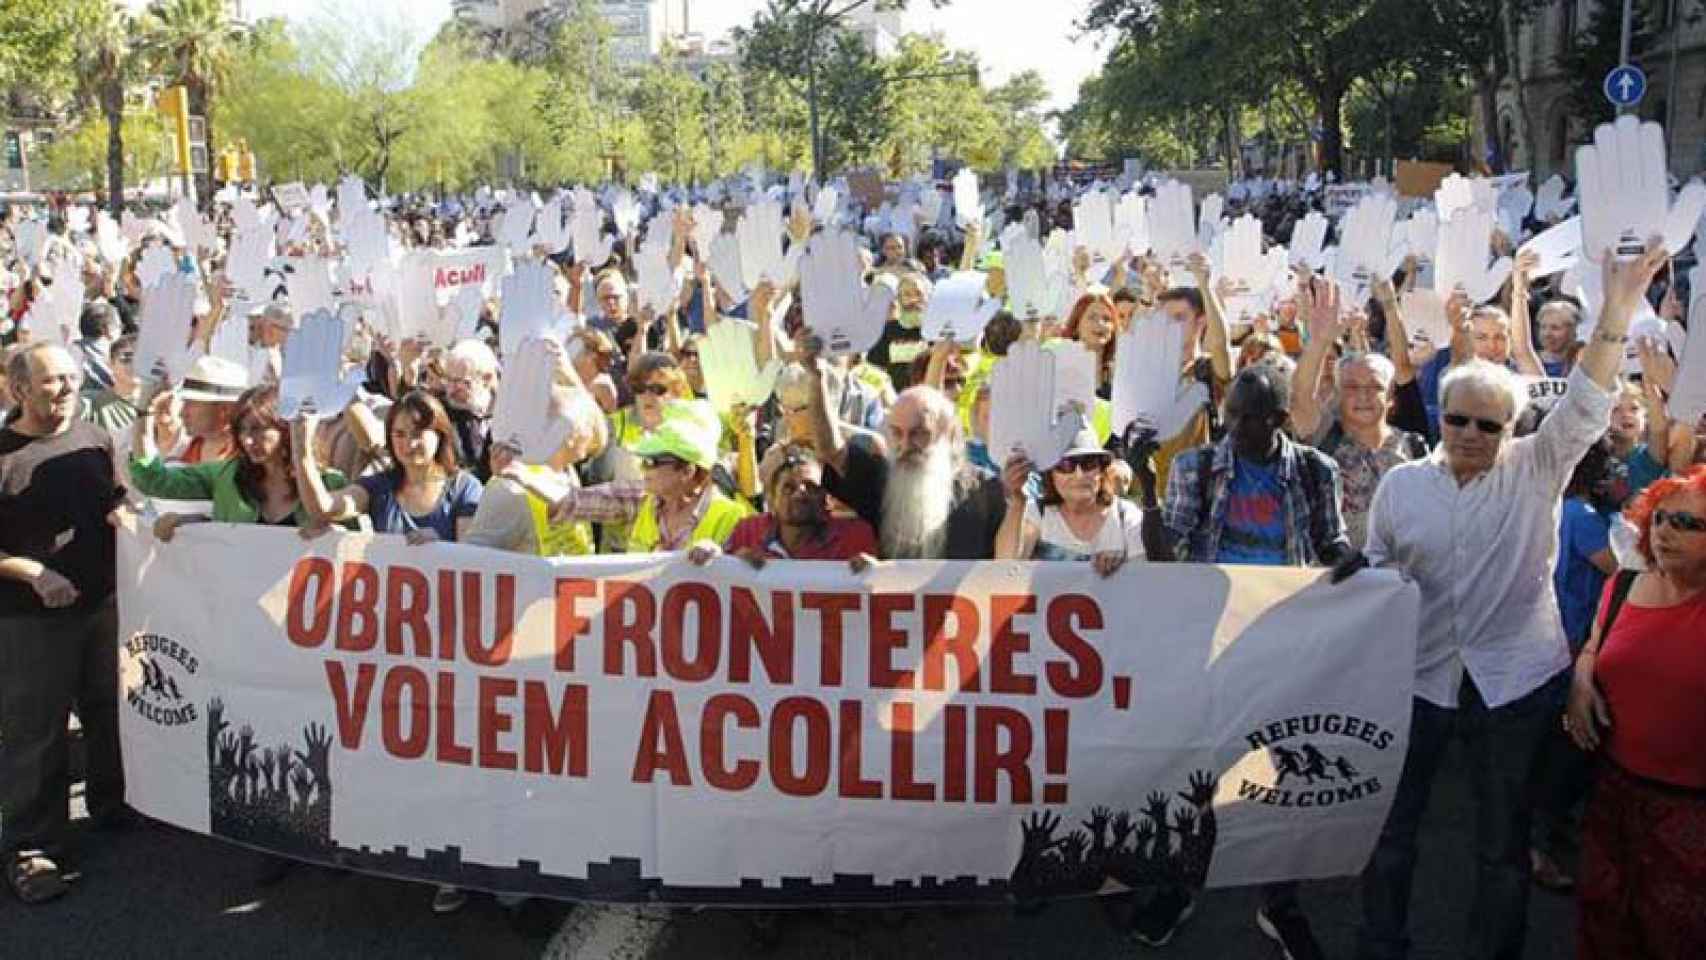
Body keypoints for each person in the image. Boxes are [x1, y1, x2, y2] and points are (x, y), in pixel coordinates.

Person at [1354, 241, 1665, 960]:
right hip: (1419, 681)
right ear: (1441, 417)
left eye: (1488, 425)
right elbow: (1377, 572)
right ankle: (1380, 946)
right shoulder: (1401, 487)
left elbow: (1588, 400)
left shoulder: (1537, 468)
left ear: (1510, 430)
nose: (1470, 434)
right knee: (1392, 834)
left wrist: (1618, 305)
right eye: (1458, 419)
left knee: (1501, 847)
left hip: (1515, 684)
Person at [1141, 361, 1349, 959]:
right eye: (1228, 412)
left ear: (1279, 421)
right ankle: (1181, 883)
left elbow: (1329, 539)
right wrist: (1143, 485)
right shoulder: (1198, 466)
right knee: (1199, 769)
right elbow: (1165, 554)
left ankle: (1278, 900)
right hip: (1209, 640)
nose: (1231, 426)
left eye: (1246, 417)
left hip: (1285, 642)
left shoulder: (1314, 472)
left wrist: (1350, 562)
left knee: (1280, 771)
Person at [0, 343, 128, 904]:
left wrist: (125, 514)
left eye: (72, 378)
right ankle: (31, 847)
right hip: (31, 620)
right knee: (38, 732)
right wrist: (33, 572)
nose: (67, 388)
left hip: (101, 607)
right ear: (18, 390)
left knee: (108, 710)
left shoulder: (95, 440)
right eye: (52, 381)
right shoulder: (4, 456)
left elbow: (117, 500)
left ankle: (113, 805)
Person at [1565, 466, 1706, 959]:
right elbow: (1592, 648)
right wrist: (1581, 682)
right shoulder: (1623, 585)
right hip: (1612, 799)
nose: (1667, 531)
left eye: (1691, 524)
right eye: (1662, 518)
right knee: (1606, 931)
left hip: (1692, 816)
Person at [803, 342, 1006, 562]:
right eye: (897, 433)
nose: (905, 445)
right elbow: (829, 448)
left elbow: (1011, 566)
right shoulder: (882, 482)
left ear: (946, 433)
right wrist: (817, 379)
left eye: (918, 434)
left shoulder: (987, 491)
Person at [1527, 438, 1622, 892]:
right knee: (1565, 751)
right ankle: (1539, 846)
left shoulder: (1550, 507)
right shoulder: (1583, 519)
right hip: (1569, 647)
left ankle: (1544, 833)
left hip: (1546, 642)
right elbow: (1620, 570)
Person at [527, 399, 750, 554]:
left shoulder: (733, 518)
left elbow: (755, 575)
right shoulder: (641, 498)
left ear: (688, 471)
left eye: (653, 462)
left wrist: (720, 557)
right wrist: (522, 476)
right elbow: (573, 501)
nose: (644, 468)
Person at [130, 383, 346, 534]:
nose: (248, 441)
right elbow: (152, 479)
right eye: (241, 430)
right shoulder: (226, 476)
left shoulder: (329, 484)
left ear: (286, 428)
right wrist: (144, 413)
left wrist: (338, 536)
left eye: (258, 430)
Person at [293, 390, 482, 545]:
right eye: (400, 434)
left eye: (418, 433)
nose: (409, 443)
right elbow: (324, 507)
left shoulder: (465, 488)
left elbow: (470, 555)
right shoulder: (379, 485)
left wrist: (440, 547)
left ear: (440, 435)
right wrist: (302, 451)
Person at [687, 444, 877, 567]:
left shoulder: (855, 536)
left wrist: (872, 573)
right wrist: (712, 554)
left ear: (826, 497)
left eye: (811, 487)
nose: (800, 493)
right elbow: (719, 574)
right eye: (788, 487)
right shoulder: (748, 532)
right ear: (771, 500)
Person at [995, 427, 1144, 572]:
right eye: (1066, 465)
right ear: (1050, 474)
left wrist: (1122, 567)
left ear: (1101, 470)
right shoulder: (1038, 513)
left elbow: (1147, 578)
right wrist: (1017, 501)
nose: (1079, 475)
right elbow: (1004, 567)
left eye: (1089, 464)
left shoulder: (1126, 515)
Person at [438, 338, 498, 481]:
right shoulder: (440, 412)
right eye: (448, 379)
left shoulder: (506, 411)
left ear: (487, 379)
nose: (451, 390)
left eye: (461, 382)